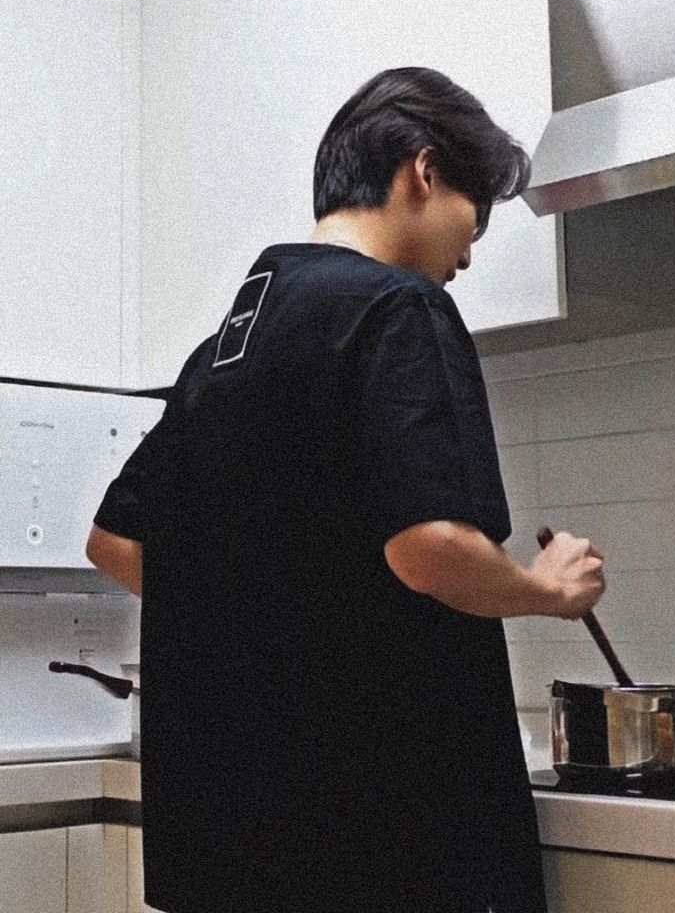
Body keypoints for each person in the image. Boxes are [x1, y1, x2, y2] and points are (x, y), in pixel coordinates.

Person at [87, 67, 605, 913]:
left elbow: (116, 542)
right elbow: (431, 547)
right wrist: (547, 591)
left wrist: (275, 631)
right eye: (472, 223)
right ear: (423, 172)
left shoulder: (221, 353)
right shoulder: (398, 308)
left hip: (226, 847)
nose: (467, 258)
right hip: (379, 843)